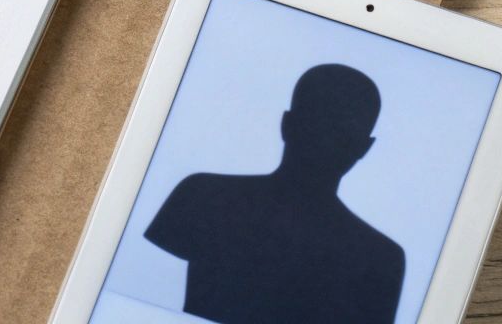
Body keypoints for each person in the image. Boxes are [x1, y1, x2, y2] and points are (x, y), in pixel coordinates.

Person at [145, 63, 405, 323]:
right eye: (319, 127)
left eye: (339, 135)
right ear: (364, 148)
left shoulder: (205, 196)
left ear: (287, 124)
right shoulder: (379, 258)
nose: (325, 144)